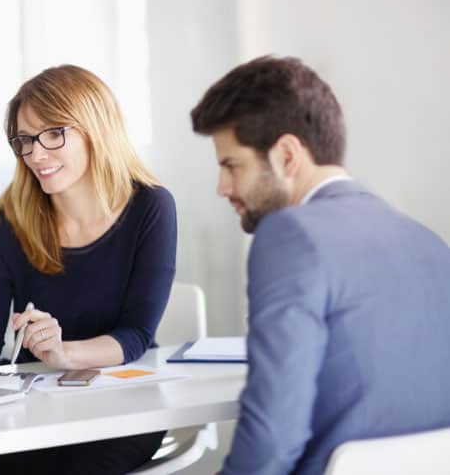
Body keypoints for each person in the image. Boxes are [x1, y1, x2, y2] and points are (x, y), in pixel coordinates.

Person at [190, 55, 450, 475]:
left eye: (231, 166)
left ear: (287, 155)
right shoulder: (429, 241)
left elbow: (273, 440)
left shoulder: (290, 234)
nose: (222, 188)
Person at [0, 64, 177, 475]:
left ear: (96, 129)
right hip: (35, 410)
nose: (36, 154)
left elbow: (137, 334)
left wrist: (63, 353)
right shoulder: (2, 225)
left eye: (53, 134)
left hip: (123, 405)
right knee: (17, 463)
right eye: (25, 140)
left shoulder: (150, 207)